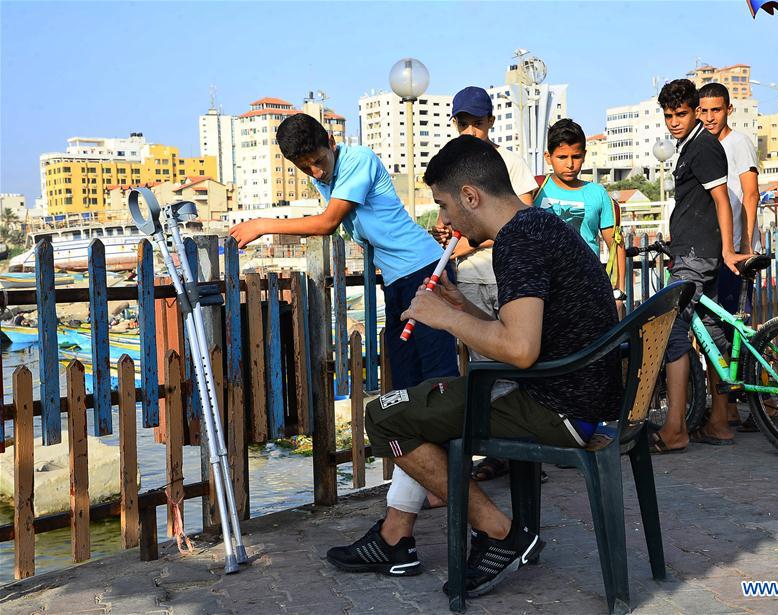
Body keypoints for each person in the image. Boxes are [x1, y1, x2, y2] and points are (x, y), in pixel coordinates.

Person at [327, 136, 622, 596]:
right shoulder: (538, 224)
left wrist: (445, 318)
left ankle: (500, 535)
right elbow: (525, 337)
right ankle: (398, 537)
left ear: (470, 196)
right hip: (577, 395)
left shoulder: (518, 242)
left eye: (444, 206)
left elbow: (520, 350)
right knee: (415, 407)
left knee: (384, 416)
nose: (443, 222)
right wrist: (463, 308)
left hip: (556, 406)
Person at [228, 114, 460, 514]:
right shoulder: (324, 177)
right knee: (407, 387)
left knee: (438, 385)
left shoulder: (359, 160)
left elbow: (328, 223)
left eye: (319, 160)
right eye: (306, 168)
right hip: (398, 282)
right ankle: (434, 484)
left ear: (331, 140)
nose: (316, 171)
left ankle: (455, 481)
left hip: (425, 272)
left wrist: (263, 224)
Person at [434, 85, 539, 483]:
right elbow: (453, 225)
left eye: (477, 123)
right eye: (463, 123)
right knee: (484, 363)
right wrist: (448, 236)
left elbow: (522, 221)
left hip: (510, 272)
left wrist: (466, 243)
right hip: (474, 275)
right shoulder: (449, 167)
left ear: (491, 123)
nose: (470, 130)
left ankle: (524, 446)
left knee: (520, 356)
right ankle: (503, 449)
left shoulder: (509, 162)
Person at [652, 79, 750, 454]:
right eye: (668, 115)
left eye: (680, 114)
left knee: (673, 332)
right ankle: (720, 421)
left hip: (698, 255)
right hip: (692, 250)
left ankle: (675, 428)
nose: (674, 122)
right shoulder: (689, 145)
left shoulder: (704, 147)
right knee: (713, 331)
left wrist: (727, 250)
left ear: (693, 111)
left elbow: (723, 201)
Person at [696, 82, 763, 430]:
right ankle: (731, 410)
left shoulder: (737, 143)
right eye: (703, 111)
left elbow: (750, 194)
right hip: (715, 253)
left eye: (715, 110)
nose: (709, 117)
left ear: (728, 110)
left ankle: (769, 404)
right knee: (724, 333)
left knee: (739, 331)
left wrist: (746, 245)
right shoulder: (702, 146)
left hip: (736, 252)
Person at [535, 118, 626, 301]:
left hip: (587, 287)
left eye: (575, 157)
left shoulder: (598, 193)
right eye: (562, 157)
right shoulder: (536, 189)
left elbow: (616, 245)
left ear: (584, 155)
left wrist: (619, 293)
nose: (570, 164)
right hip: (543, 287)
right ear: (548, 157)